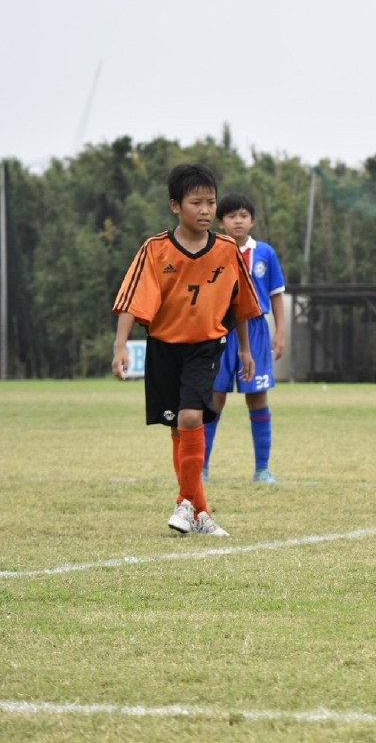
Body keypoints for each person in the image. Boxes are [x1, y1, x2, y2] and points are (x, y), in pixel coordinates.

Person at [112, 163, 263, 537]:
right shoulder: (156, 249)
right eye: (196, 202)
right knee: (179, 429)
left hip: (206, 346)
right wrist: (120, 346)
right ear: (175, 205)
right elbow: (133, 300)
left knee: (192, 417)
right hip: (164, 347)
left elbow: (242, 305)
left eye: (211, 202)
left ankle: (184, 502)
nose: (206, 210)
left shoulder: (226, 249)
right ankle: (201, 512)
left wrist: (245, 351)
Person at [201, 193, 287, 485]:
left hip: (256, 330)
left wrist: (280, 331)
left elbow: (276, 294)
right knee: (214, 397)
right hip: (220, 329)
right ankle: (202, 468)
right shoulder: (211, 251)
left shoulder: (265, 253)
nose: (238, 221)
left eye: (244, 216)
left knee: (257, 397)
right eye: (232, 216)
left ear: (253, 221)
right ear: (220, 222)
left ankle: (262, 469)